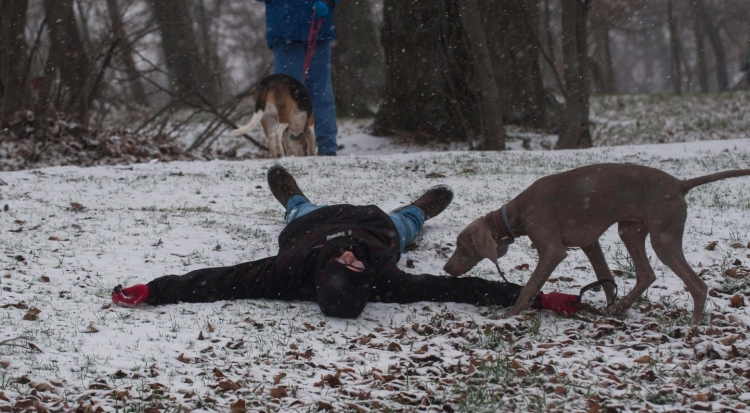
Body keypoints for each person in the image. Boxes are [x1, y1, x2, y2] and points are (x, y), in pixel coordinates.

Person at [112, 165, 581, 318]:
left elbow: (217, 280)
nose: (350, 254)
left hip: (310, 223)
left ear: (322, 270)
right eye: (355, 265)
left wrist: (154, 290)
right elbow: (456, 290)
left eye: (345, 260)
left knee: (299, 209)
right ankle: (422, 207)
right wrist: (537, 299)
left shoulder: (286, 272)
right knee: (407, 223)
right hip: (380, 226)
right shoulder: (385, 278)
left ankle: (291, 195)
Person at [249, 0, 344, 156]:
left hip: (318, 30)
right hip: (285, 36)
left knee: (320, 93)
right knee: (289, 97)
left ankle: (327, 148)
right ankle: (295, 148)